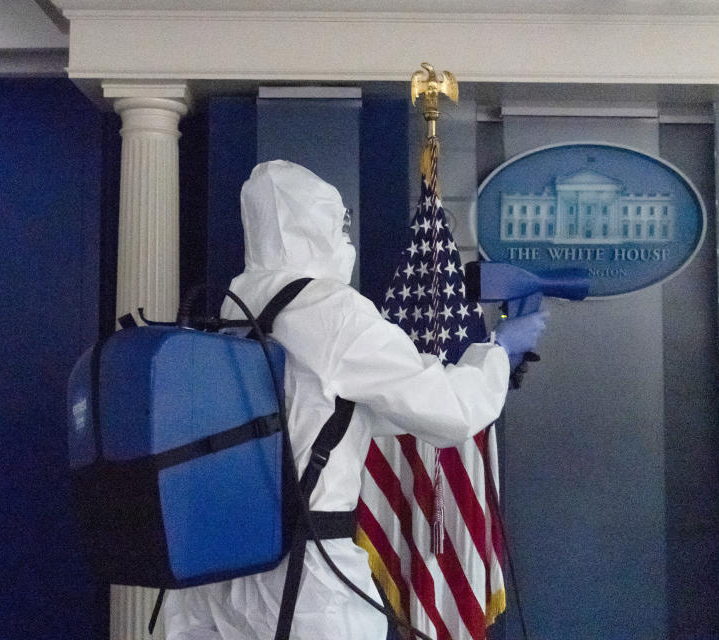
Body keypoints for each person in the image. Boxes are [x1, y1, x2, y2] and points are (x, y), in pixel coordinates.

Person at [163, 160, 546, 640]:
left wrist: (490, 368)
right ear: (318, 223)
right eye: (337, 222)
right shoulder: (329, 310)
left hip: (227, 567)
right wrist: (498, 353)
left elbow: (346, 413)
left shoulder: (234, 314)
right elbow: (449, 410)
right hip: (307, 578)